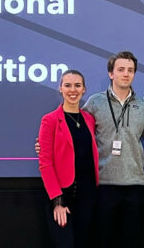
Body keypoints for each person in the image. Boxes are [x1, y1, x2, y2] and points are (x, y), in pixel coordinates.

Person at [36, 52, 144, 247]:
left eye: (130, 70)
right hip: (85, 190)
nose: (125, 74)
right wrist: (57, 200)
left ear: (83, 89)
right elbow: (49, 159)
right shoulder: (89, 106)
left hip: (107, 189)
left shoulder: (140, 106)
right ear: (110, 73)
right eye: (120, 69)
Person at [38, 70, 99, 248]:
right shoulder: (50, 120)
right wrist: (57, 201)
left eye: (77, 85)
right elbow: (45, 163)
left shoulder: (89, 119)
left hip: (87, 195)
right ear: (60, 89)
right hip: (62, 195)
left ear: (84, 90)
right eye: (68, 85)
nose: (73, 90)